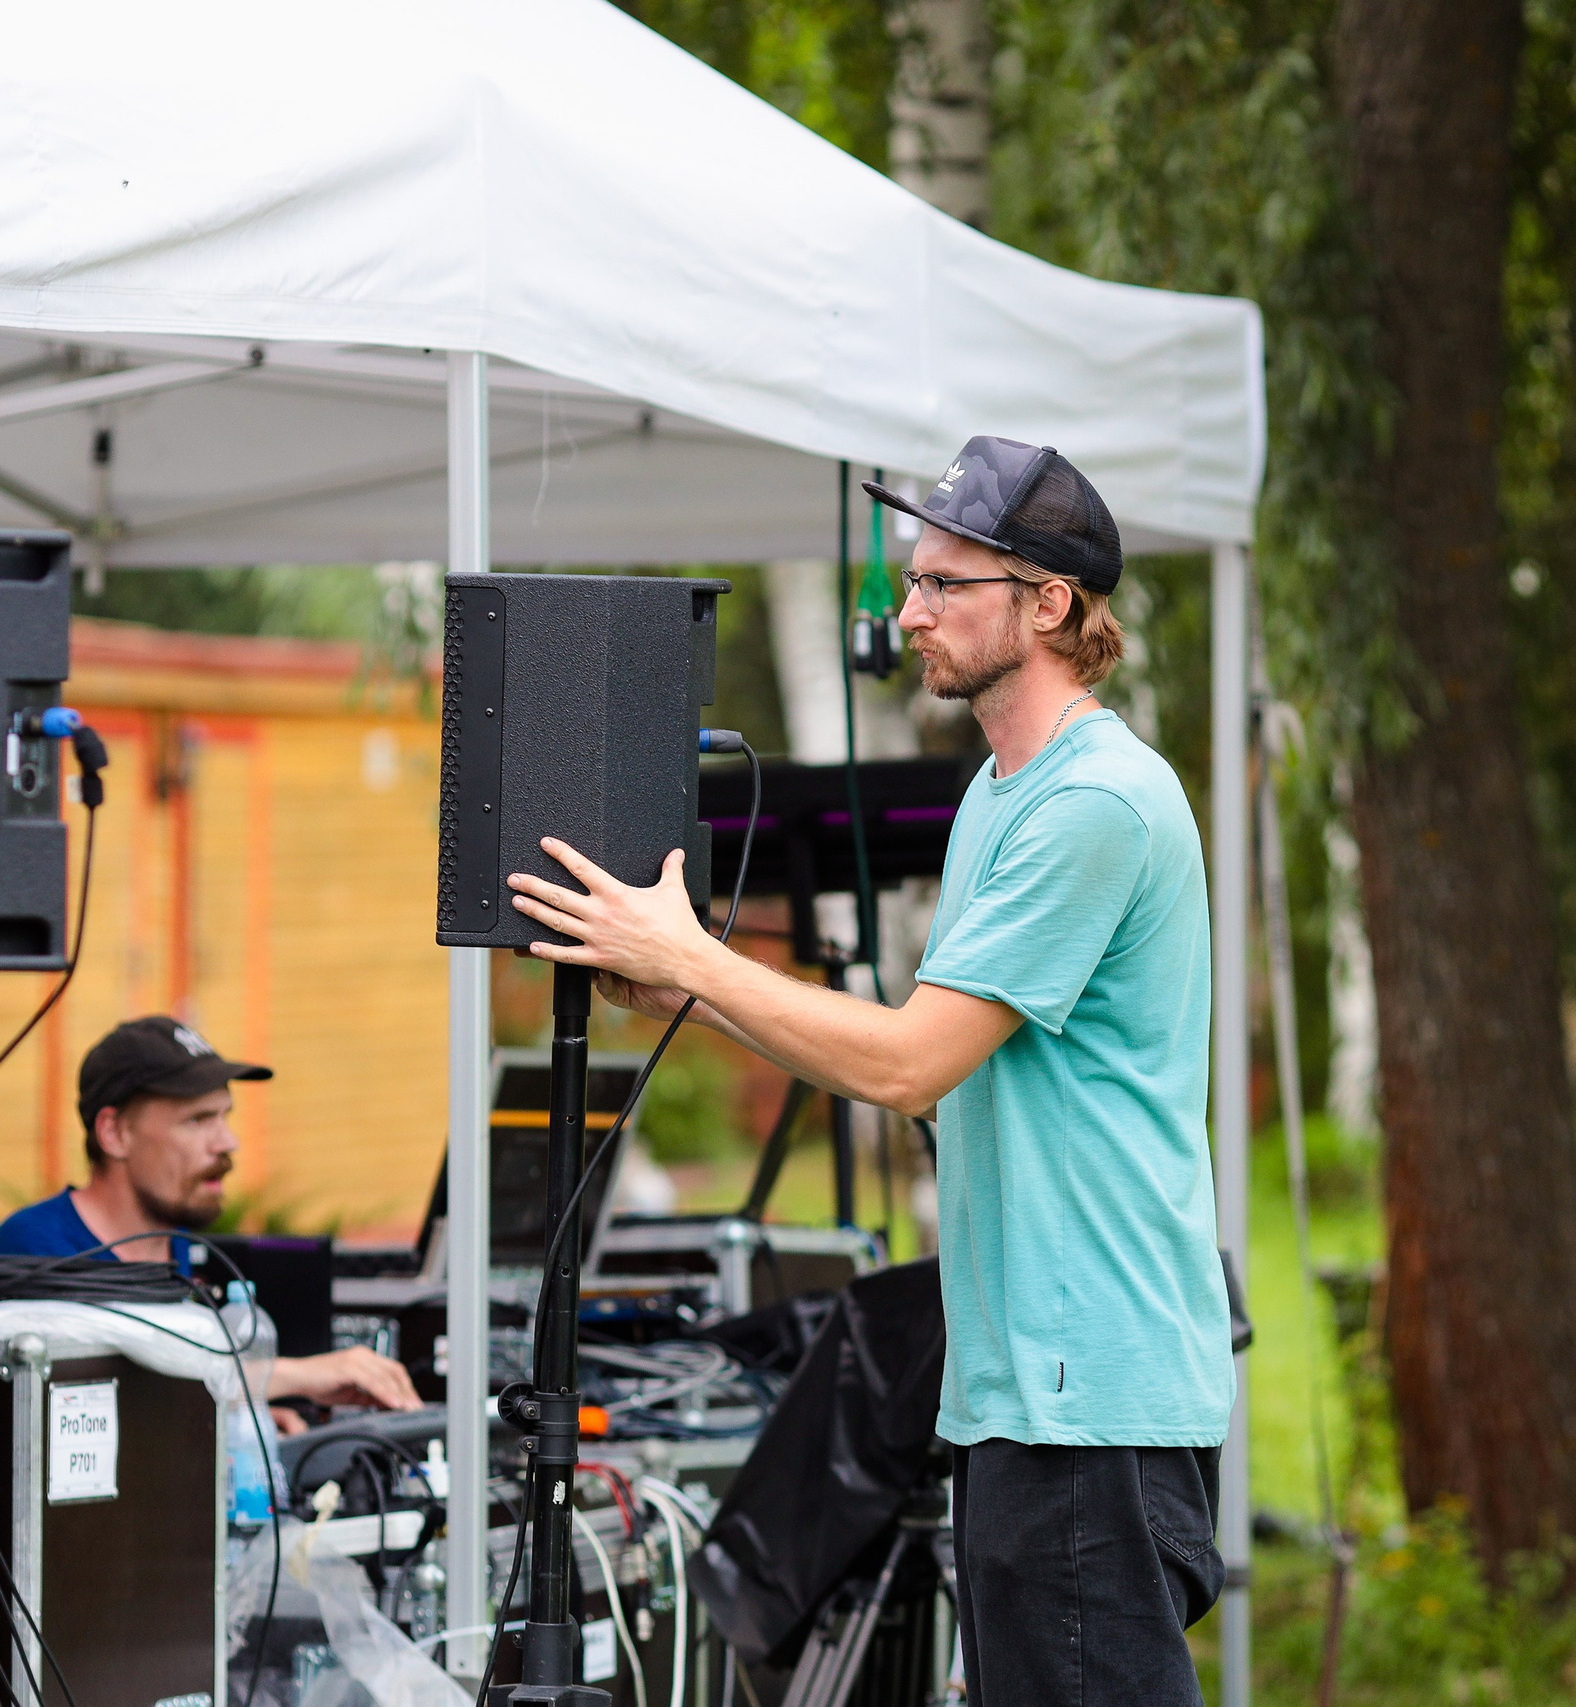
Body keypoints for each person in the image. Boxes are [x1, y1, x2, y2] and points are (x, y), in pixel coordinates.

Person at [506, 439, 1232, 1706]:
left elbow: (904, 1066)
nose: (910, 614)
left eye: (946, 584)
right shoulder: (1002, 795)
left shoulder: (1094, 805)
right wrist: (690, 987)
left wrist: (698, 956)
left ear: (1047, 603)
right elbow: (926, 1061)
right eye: (912, 581)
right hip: (1021, 1392)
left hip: (1089, 1402)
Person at [0, 1016, 421, 1427]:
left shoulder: (176, 1243)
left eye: (224, 1116)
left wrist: (232, 1425)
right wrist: (286, 1376)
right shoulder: (33, 1248)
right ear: (114, 1133)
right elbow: (107, 1391)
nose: (227, 1142)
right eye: (197, 1121)